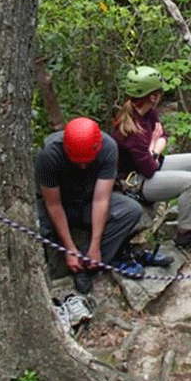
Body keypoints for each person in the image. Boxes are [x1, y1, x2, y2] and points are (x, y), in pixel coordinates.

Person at [36, 117, 163, 296]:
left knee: (130, 210)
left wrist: (95, 246)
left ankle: (89, 264)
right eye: (77, 161)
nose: (83, 166)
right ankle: (63, 266)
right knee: (36, 221)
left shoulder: (108, 148)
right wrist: (69, 248)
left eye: (87, 161)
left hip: (88, 201)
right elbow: (53, 204)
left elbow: (101, 199)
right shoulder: (49, 154)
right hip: (61, 204)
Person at [112, 65, 191, 249]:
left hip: (152, 163)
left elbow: (163, 136)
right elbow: (150, 167)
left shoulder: (148, 112)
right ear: (153, 96)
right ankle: (186, 234)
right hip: (136, 181)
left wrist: (155, 146)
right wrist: (154, 146)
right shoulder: (128, 129)